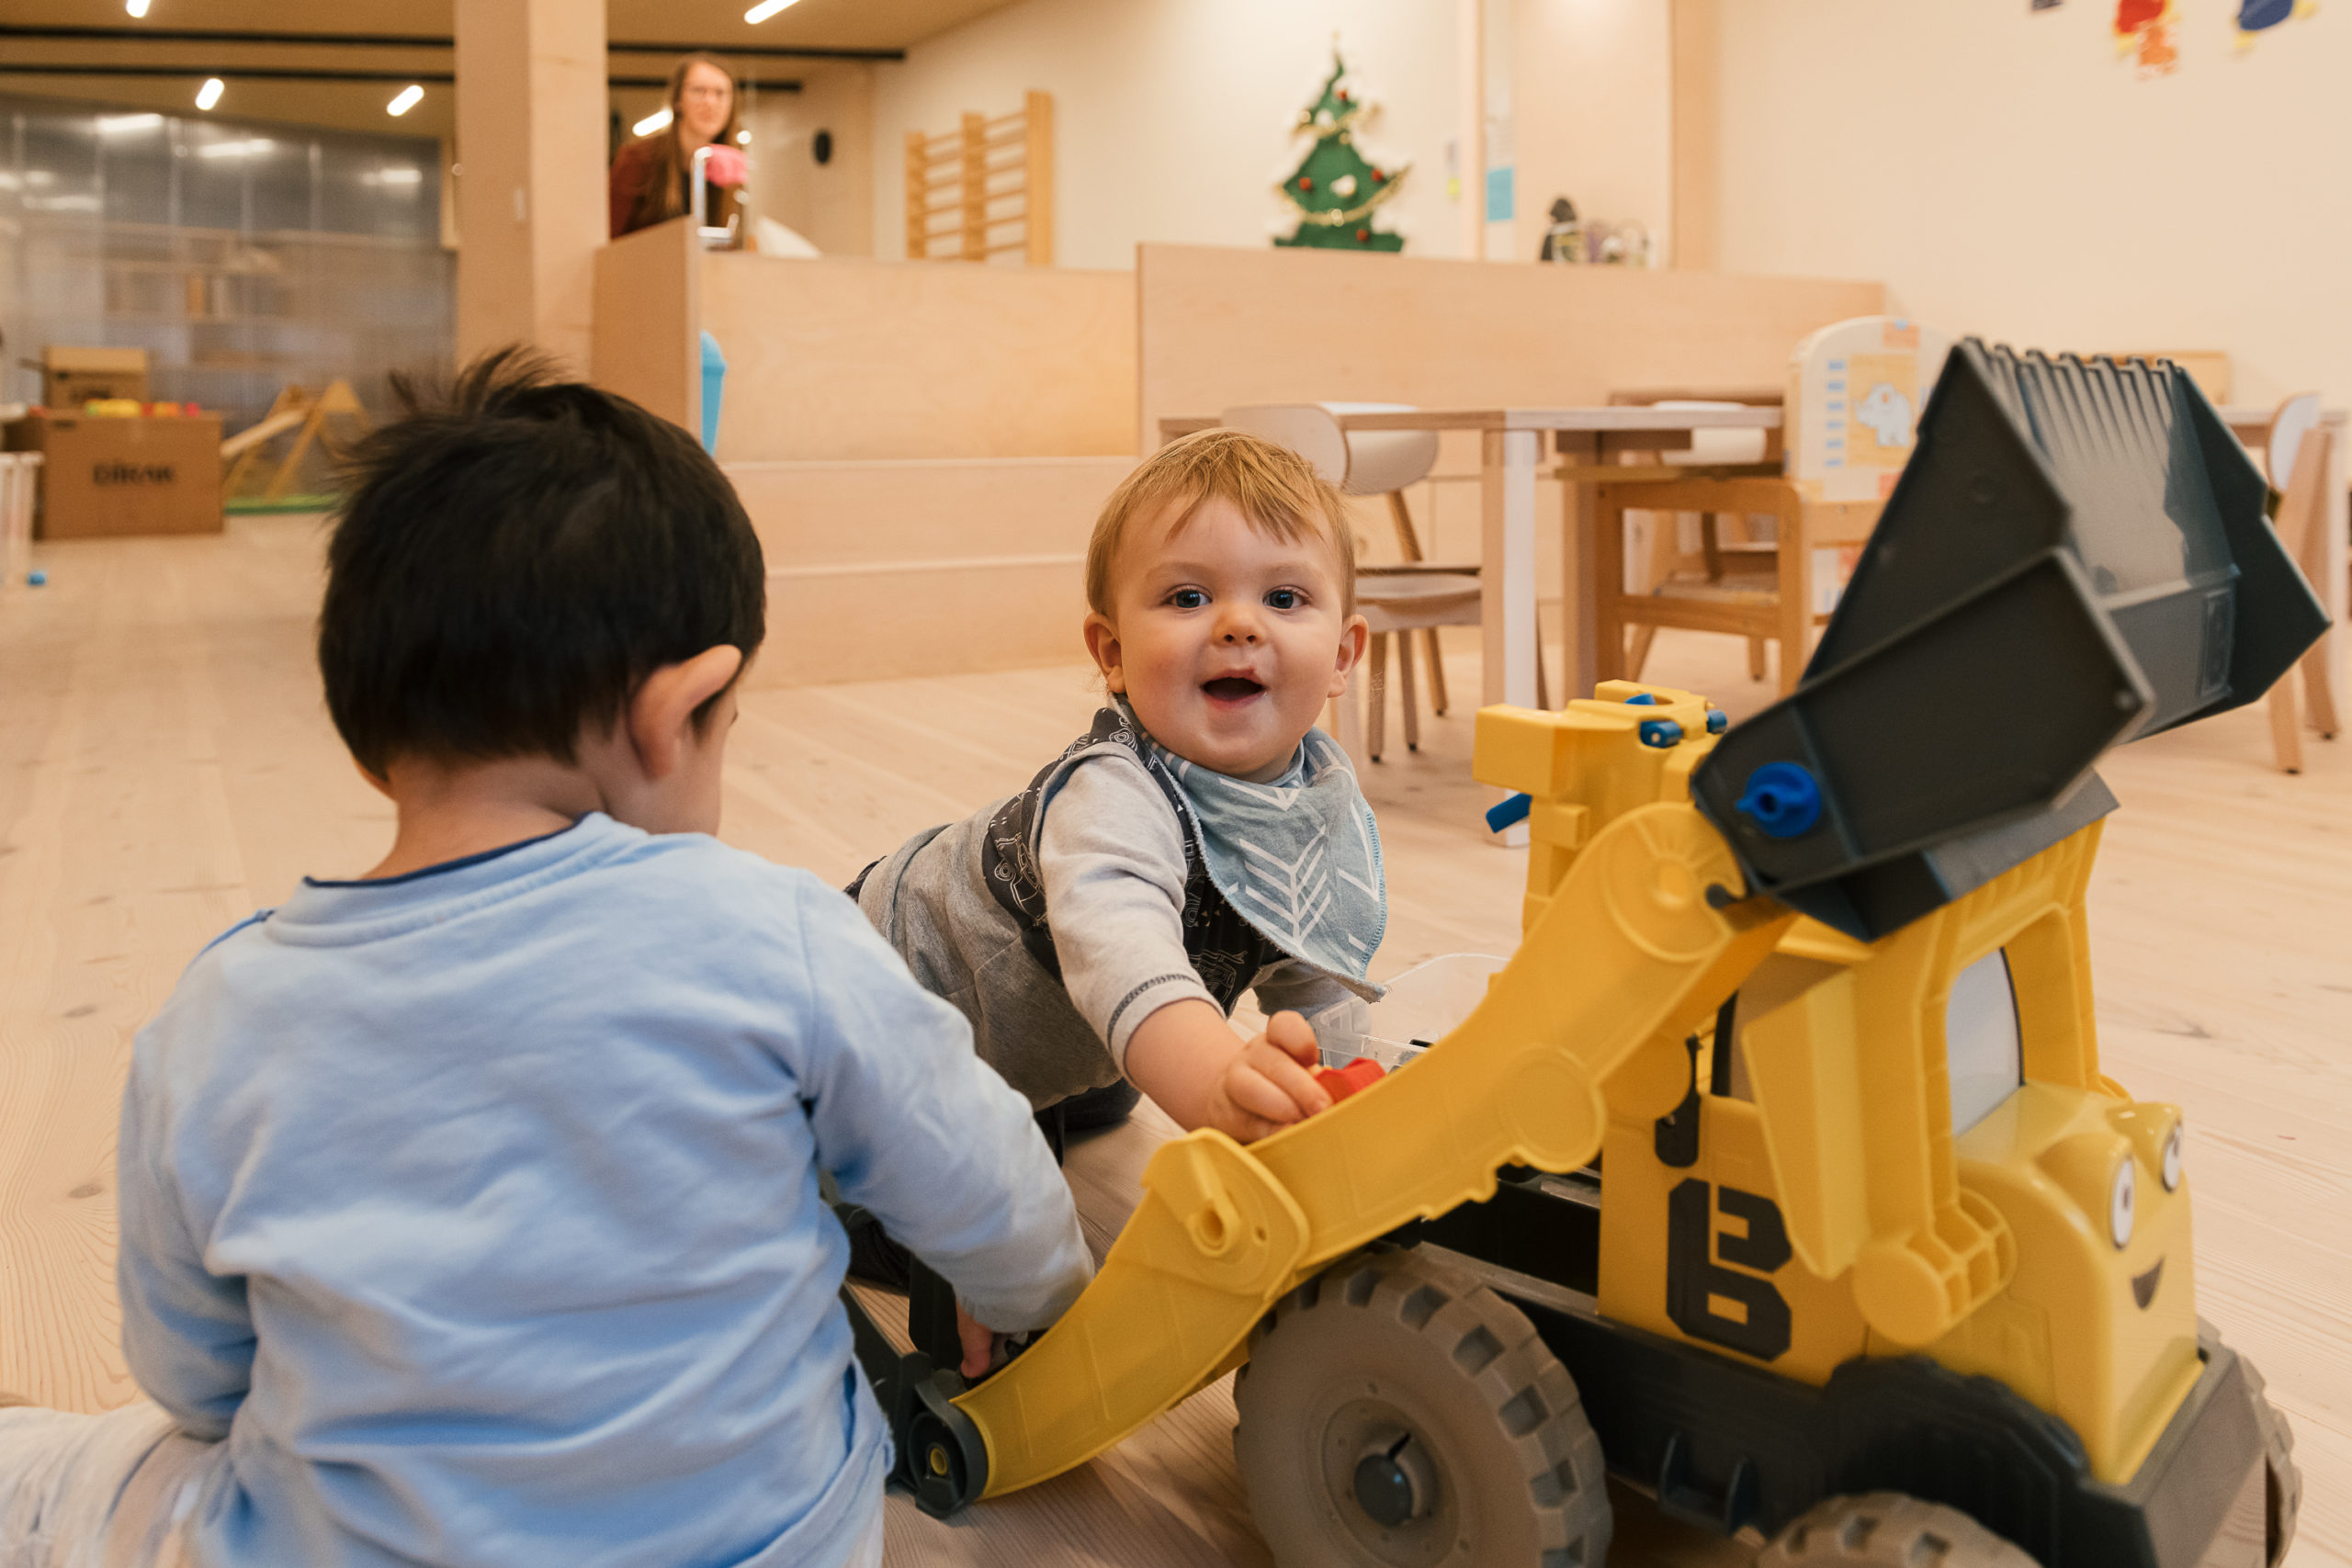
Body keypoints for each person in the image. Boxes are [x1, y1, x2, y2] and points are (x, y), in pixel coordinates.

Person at [0, 349, 1092, 1568]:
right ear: (678, 711)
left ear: (369, 733)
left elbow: (193, 1372)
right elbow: (987, 1182)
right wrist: (1043, 1284)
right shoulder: (769, 930)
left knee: (92, 1472)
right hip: (777, 1538)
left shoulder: (219, 1016)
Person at [850, 430, 1385, 1147]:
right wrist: (1217, 1087)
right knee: (956, 1204)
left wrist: (1357, 1100)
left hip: (1035, 1035)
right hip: (878, 1001)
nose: (1238, 625)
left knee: (1108, 1087)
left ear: (1343, 654)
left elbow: (1311, 966)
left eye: (1284, 597)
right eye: (1188, 596)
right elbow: (1122, 955)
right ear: (1114, 653)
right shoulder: (1114, 793)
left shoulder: (1314, 797)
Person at [610, 52, 749, 241]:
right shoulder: (638, 159)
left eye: (720, 93)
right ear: (678, 100)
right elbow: (609, 237)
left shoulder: (729, 169)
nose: (710, 102)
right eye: (699, 90)